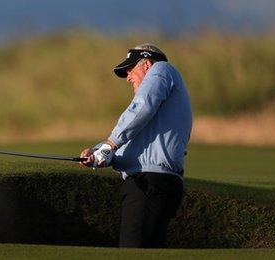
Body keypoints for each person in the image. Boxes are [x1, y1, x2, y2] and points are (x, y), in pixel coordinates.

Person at [79, 43, 192, 248]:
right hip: (152, 183)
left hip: (149, 184)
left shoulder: (162, 70)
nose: (128, 77)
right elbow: (130, 141)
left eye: (131, 69)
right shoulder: (156, 108)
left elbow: (141, 108)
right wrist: (97, 154)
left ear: (147, 64)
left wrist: (110, 145)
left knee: (133, 250)